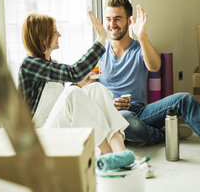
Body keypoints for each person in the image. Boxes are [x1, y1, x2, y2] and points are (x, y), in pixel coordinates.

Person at [98, 0, 200, 162]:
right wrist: (109, 105)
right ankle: (162, 135)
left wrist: (142, 36)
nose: (112, 24)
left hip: (140, 112)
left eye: (117, 19)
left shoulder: (138, 47)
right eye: (108, 19)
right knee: (124, 118)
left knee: (184, 99)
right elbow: (88, 90)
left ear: (128, 21)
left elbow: (155, 66)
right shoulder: (98, 51)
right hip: (114, 116)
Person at [18, 12, 129, 155]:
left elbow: (66, 93)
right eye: (54, 31)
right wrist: (101, 39)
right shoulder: (29, 65)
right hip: (39, 138)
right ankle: (107, 154)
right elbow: (73, 73)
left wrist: (84, 80)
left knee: (95, 88)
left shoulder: (52, 64)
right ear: (43, 36)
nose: (59, 35)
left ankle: (122, 153)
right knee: (72, 92)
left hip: (60, 129)